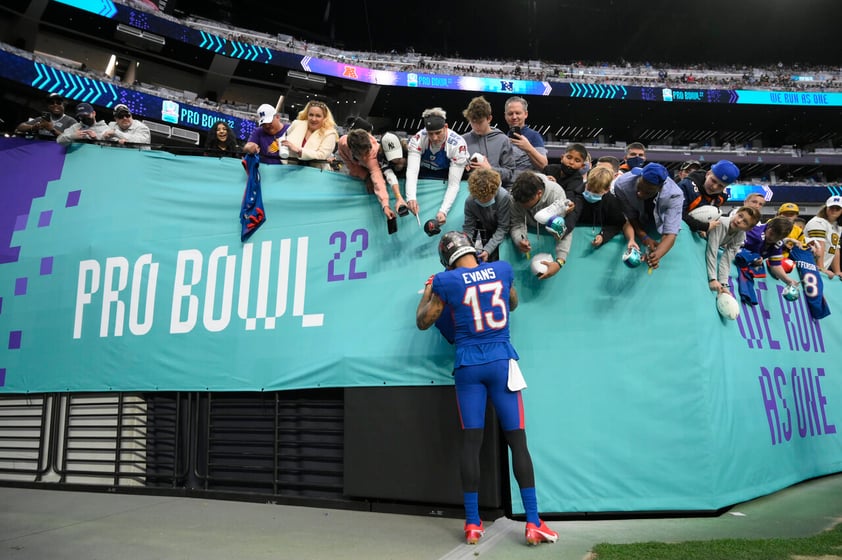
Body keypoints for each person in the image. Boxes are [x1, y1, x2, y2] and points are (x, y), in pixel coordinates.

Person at [415, 231, 559, 547]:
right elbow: (513, 303)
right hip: (501, 360)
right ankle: (533, 522)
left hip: (468, 365)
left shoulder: (444, 281)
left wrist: (429, 291)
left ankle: (471, 524)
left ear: (447, 260)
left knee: (471, 443)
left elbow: (423, 321)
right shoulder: (502, 269)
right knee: (518, 443)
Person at [613, 162, 684, 269]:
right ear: (639, 175)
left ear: (660, 188)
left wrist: (655, 256)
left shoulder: (674, 195)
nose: (639, 194)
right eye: (639, 187)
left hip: (655, 222)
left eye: (647, 192)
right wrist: (643, 235)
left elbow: (670, 233)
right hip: (636, 217)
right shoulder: (622, 185)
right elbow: (630, 215)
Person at [404, 108, 469, 225]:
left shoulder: (458, 144)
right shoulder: (418, 139)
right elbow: (412, 172)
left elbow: (454, 184)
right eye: (430, 134)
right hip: (422, 177)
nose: (434, 138)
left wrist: (443, 211)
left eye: (438, 133)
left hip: (443, 179)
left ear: (446, 127)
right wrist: (410, 198)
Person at [510, 171, 572, 279]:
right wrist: (520, 240)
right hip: (530, 231)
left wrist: (560, 261)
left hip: (551, 234)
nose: (523, 206)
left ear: (539, 193)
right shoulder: (515, 196)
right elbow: (516, 223)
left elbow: (563, 229)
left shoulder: (555, 194)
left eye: (527, 203)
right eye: (520, 204)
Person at [735, 216, 801, 304]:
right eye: (771, 233)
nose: (771, 237)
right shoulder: (754, 233)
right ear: (769, 226)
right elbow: (732, 246)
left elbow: (775, 265)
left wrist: (788, 280)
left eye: (776, 237)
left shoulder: (778, 244)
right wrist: (751, 257)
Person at [337, 128, 396, 221]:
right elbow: (349, 164)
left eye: (366, 153)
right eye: (360, 154)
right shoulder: (342, 143)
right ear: (351, 150)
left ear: (369, 147)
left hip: (375, 168)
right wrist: (365, 176)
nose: (364, 157)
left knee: (374, 184)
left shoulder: (373, 155)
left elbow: (378, 181)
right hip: (355, 172)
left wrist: (385, 205)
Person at [462, 96, 516, 189]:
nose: (476, 126)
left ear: (489, 118)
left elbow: (509, 173)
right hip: (468, 192)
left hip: (496, 194)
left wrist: (490, 170)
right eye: (473, 122)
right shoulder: (462, 141)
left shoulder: (503, 140)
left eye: (480, 122)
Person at [705, 206, 761, 294]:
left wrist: (723, 284)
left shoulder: (741, 236)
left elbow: (727, 259)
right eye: (740, 215)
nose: (739, 221)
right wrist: (712, 279)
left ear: (749, 229)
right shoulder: (721, 223)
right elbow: (712, 250)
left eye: (745, 222)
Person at [463, 168, 512, 262]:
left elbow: (503, 227)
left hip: (508, 234)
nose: (483, 201)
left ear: (494, 192)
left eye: (487, 198)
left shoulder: (504, 197)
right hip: (489, 231)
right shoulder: (470, 202)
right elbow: (468, 228)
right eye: (479, 198)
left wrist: (488, 249)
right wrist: (465, 248)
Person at [679, 160, 740, 233]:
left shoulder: (722, 196)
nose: (714, 187)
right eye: (713, 181)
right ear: (708, 174)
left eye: (720, 186)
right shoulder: (686, 186)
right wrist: (704, 226)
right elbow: (677, 213)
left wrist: (704, 229)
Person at [577, 166, 627, 249]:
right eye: (589, 188)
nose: (591, 193)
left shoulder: (612, 202)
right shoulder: (574, 194)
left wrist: (603, 236)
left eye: (596, 191)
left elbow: (616, 224)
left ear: (607, 190)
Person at [280, 100, 338, 170]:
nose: (313, 119)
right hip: (289, 170)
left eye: (318, 116)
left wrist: (299, 151)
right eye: (311, 115)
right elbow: (283, 140)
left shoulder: (330, 133)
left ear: (324, 118)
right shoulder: (296, 124)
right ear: (307, 115)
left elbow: (322, 155)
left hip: (315, 174)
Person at [503, 96, 548, 174]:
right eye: (510, 114)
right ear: (505, 116)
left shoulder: (534, 136)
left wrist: (528, 148)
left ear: (525, 114)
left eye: (518, 113)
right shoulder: (503, 138)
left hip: (527, 183)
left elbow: (544, 165)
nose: (514, 117)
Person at [803, 195, 842, 279]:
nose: (834, 211)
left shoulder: (837, 226)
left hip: (819, 269)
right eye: (831, 207)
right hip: (808, 267)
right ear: (826, 208)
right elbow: (819, 246)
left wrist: (837, 272)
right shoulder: (818, 222)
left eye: (837, 208)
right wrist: (821, 268)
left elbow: (835, 249)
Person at [377, 132, 409, 215]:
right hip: (395, 181)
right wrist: (398, 197)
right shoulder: (380, 155)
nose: (395, 159)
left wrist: (406, 163)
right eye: (392, 157)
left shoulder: (408, 149)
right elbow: (390, 176)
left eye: (398, 156)